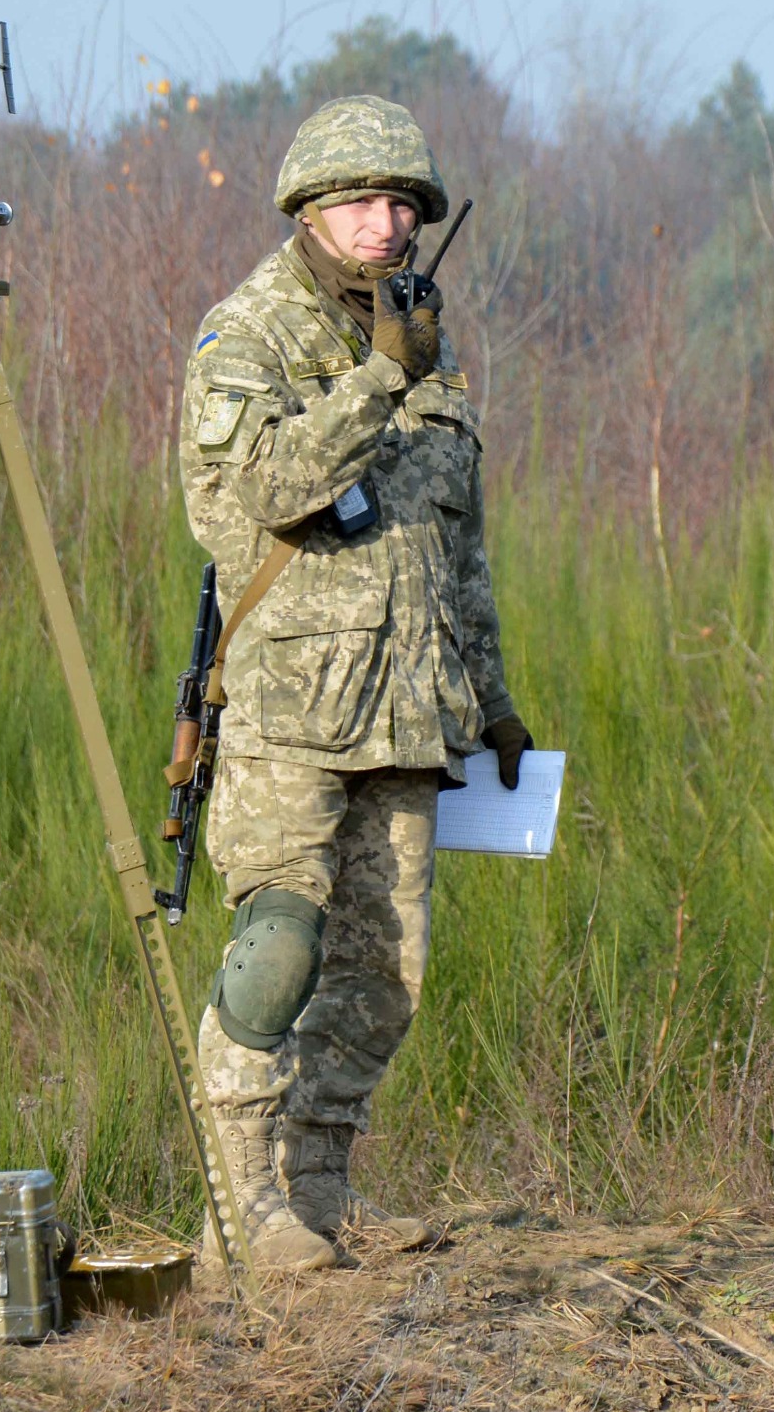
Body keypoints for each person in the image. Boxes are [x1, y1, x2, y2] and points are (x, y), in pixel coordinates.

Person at [180, 93, 531, 1271]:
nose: (385, 224)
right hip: (291, 712)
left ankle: (318, 1195)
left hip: (408, 708)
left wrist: (491, 697)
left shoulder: (419, 338)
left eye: (402, 205)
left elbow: (455, 546)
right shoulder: (250, 334)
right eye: (360, 203)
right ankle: (242, 1213)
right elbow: (265, 491)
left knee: (385, 978)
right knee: (278, 951)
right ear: (310, 210)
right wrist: (378, 378)